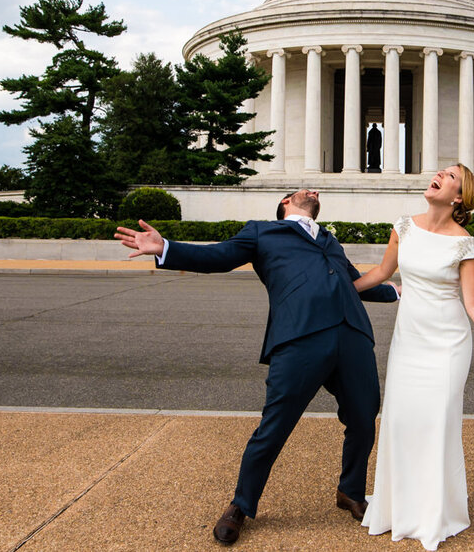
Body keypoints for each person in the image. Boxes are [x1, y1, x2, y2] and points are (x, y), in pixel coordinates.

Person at [113, 190, 399, 546]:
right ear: (285, 204)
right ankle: (241, 505)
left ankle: (351, 492)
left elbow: (354, 283)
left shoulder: (330, 241)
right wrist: (166, 248)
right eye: (302, 191)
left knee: (363, 417)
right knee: (274, 425)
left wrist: (396, 292)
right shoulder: (263, 232)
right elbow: (219, 256)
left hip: (353, 336)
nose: (312, 192)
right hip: (299, 338)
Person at [353, 164, 474, 551]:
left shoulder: (465, 244)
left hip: (448, 346)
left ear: (458, 196)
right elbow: (381, 272)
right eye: (440, 171)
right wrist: (338, 290)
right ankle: (398, 508)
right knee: (402, 421)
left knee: (437, 424)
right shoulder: (403, 226)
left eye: (450, 176)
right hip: (408, 342)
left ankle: (433, 514)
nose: (438, 175)